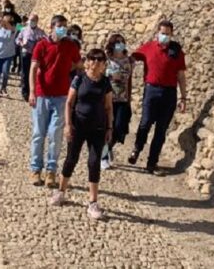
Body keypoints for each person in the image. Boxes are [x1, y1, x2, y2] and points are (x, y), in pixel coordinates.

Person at [49, 49, 113, 220]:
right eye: (92, 59)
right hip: (78, 125)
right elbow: (69, 103)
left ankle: (93, 202)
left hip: (98, 127)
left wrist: (109, 128)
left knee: (94, 162)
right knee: (71, 158)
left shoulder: (105, 82)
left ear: (103, 64)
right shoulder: (79, 79)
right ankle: (61, 191)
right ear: (87, 62)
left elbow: (108, 107)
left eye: (100, 60)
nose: (96, 62)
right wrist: (68, 125)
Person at [28, 15, 82, 188]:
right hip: (42, 95)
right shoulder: (41, 45)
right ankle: (36, 169)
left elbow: (78, 64)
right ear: (51, 27)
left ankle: (51, 171)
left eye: (65, 26)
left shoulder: (70, 46)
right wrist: (31, 92)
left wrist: (68, 68)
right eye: (60, 26)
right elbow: (33, 69)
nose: (63, 29)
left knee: (55, 135)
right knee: (38, 134)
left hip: (60, 97)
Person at [128, 20, 187, 175]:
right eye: (162, 33)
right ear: (157, 33)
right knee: (145, 123)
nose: (165, 36)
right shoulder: (148, 47)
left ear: (172, 34)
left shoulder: (176, 52)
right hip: (151, 91)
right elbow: (133, 58)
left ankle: (151, 163)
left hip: (169, 94)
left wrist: (183, 98)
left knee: (161, 131)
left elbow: (181, 75)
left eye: (167, 34)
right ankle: (137, 148)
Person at [101, 34, 133, 170]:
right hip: (108, 98)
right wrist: (110, 74)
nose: (120, 44)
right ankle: (103, 157)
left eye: (122, 42)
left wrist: (129, 97)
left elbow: (129, 80)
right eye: (117, 42)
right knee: (107, 127)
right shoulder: (107, 60)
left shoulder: (129, 61)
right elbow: (100, 75)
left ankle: (108, 148)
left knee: (120, 127)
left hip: (122, 99)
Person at [17, 14, 46, 101]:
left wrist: (40, 41)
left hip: (36, 55)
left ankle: (32, 91)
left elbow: (46, 40)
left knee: (34, 72)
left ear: (37, 21)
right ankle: (25, 92)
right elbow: (17, 40)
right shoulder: (23, 30)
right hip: (26, 53)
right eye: (30, 20)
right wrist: (22, 44)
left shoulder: (41, 32)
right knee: (25, 72)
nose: (32, 22)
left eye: (33, 20)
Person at [0, 14, 18, 97]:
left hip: (8, 55)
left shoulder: (14, 29)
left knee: (6, 72)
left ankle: (3, 88)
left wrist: (5, 22)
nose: (5, 23)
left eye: (8, 22)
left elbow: (12, 28)